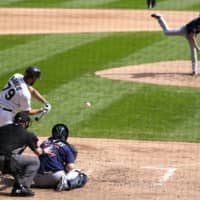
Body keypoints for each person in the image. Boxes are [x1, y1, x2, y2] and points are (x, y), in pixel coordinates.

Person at [0, 111, 49, 196]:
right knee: (34, 161)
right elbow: (38, 152)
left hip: (4, 162)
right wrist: (45, 151)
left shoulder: (2, 128)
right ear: (26, 123)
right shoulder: (28, 134)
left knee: (13, 157)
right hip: (7, 162)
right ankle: (21, 187)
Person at [34, 123, 88, 191]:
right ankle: (65, 183)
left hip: (38, 180)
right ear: (65, 135)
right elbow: (70, 167)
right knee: (80, 174)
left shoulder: (44, 143)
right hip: (55, 178)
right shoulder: (66, 146)